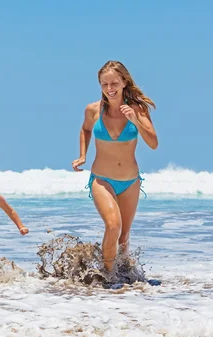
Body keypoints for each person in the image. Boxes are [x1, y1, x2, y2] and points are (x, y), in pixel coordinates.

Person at [72, 60, 158, 271]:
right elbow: (85, 130)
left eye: (114, 83)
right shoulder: (93, 110)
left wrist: (135, 120)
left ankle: (124, 276)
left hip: (130, 181)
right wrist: (82, 155)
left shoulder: (137, 110)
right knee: (113, 226)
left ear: (124, 82)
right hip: (102, 179)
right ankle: (107, 277)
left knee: (124, 236)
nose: (109, 89)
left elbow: (154, 143)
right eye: (104, 84)